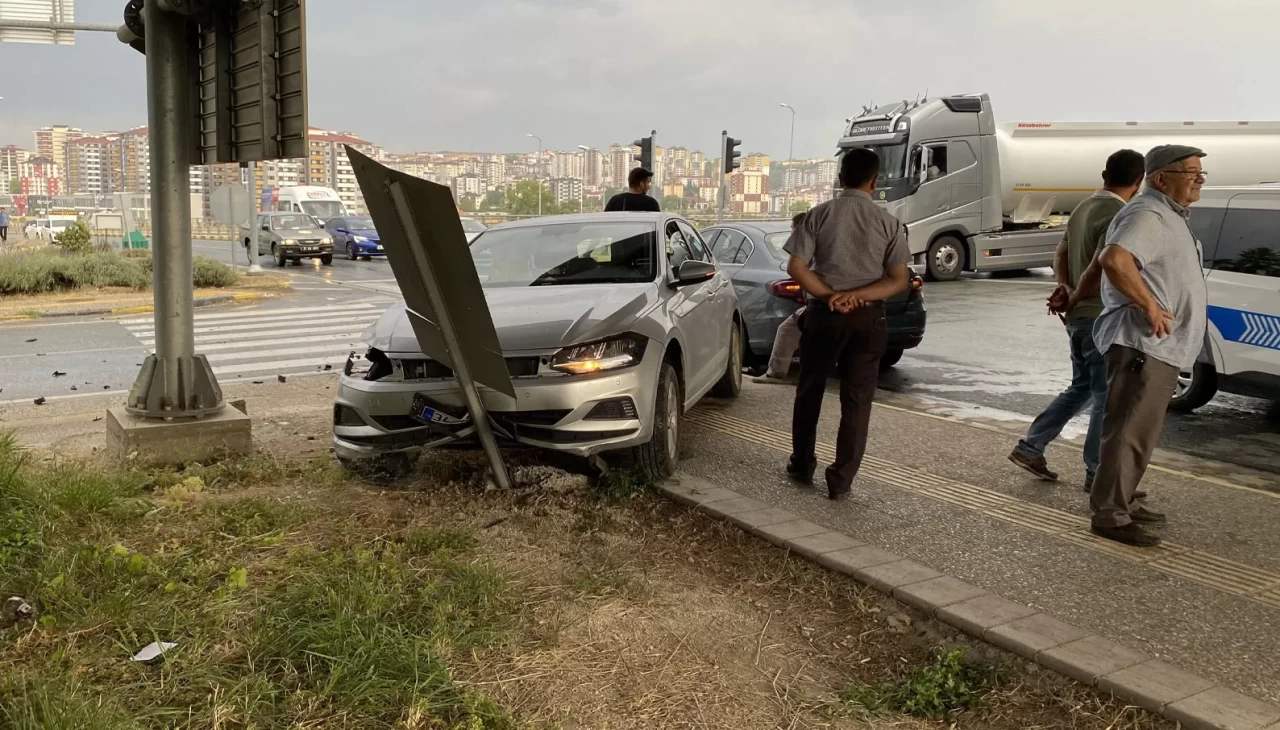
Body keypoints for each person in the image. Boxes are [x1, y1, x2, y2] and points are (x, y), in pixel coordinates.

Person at [1080, 145, 1209, 547]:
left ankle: (1124, 499)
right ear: (1160, 178)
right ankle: (1110, 515)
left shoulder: (1167, 215)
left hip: (1158, 347)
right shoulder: (1148, 213)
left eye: (1201, 172)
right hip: (1143, 344)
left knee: (1138, 431)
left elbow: (1103, 263)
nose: (1199, 179)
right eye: (1190, 172)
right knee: (1129, 431)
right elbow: (1114, 259)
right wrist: (1150, 304)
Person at [1007, 150, 1145, 491]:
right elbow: (1102, 267)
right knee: (1105, 397)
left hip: (1079, 320)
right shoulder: (1120, 214)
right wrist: (1076, 295)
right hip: (1102, 317)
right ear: (1139, 182)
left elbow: (1061, 252)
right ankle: (1097, 473)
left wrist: (1065, 288)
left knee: (1082, 387)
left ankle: (1031, 446)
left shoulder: (1082, 208)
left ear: (1104, 174)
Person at [783, 147, 911, 500]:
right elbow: (899, 279)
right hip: (868, 320)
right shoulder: (888, 223)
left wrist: (830, 296)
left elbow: (796, 267)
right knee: (857, 401)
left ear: (840, 179)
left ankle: (802, 464)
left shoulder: (818, 214)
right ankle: (840, 481)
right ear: (875, 181)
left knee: (809, 390)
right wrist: (859, 297)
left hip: (823, 317)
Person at [753, 211, 810, 383]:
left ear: (797, 228)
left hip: (819, 303)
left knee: (787, 330)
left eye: (792, 227)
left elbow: (795, 270)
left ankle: (776, 373)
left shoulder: (805, 245)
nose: (791, 232)